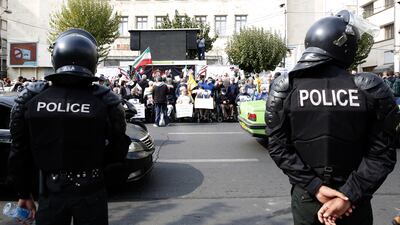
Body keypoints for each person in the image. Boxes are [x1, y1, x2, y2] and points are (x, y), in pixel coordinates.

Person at [265, 10, 397, 225]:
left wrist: (315, 187)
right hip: (354, 199)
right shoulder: (369, 87)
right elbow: (382, 153)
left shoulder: (286, 86)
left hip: (309, 196)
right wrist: (349, 195)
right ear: (344, 46)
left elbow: (278, 147)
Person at [7, 28, 131, 225]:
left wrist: (24, 192)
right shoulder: (106, 100)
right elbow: (118, 148)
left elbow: (19, 151)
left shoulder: (31, 99)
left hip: (51, 191)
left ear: (56, 58)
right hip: (92, 190)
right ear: (92, 59)